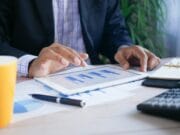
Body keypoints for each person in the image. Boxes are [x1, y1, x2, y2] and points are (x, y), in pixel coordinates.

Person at [0, 0, 160, 78]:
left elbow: (114, 29)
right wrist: (30, 63)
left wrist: (123, 48)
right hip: (30, 82)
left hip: (90, 81)